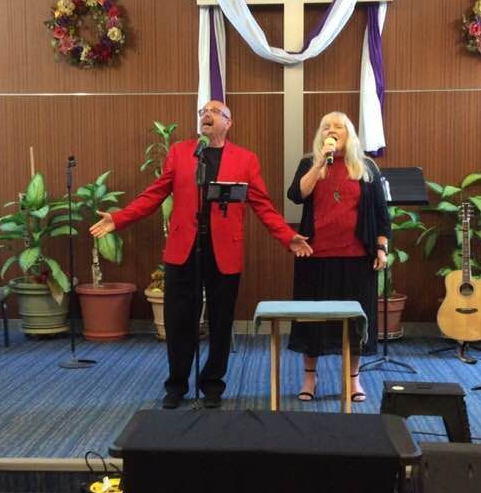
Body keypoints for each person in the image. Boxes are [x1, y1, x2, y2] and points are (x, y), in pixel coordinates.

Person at [90, 99, 313, 409]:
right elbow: (154, 194)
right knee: (179, 320)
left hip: (224, 252)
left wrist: (287, 237)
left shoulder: (245, 159)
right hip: (184, 251)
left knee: (221, 321)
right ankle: (177, 384)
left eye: (215, 112)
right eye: (202, 112)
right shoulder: (181, 153)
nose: (206, 115)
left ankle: (212, 384)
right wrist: (119, 217)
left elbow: (262, 205)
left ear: (228, 123)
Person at [287, 111, 391, 402]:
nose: (331, 131)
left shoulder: (366, 166)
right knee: (312, 321)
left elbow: (382, 214)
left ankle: (353, 379)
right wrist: (320, 162)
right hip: (315, 256)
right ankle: (310, 377)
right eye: (326, 127)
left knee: (354, 321)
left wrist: (381, 247)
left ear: (350, 134)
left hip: (357, 257)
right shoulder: (310, 163)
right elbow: (296, 194)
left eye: (338, 127)